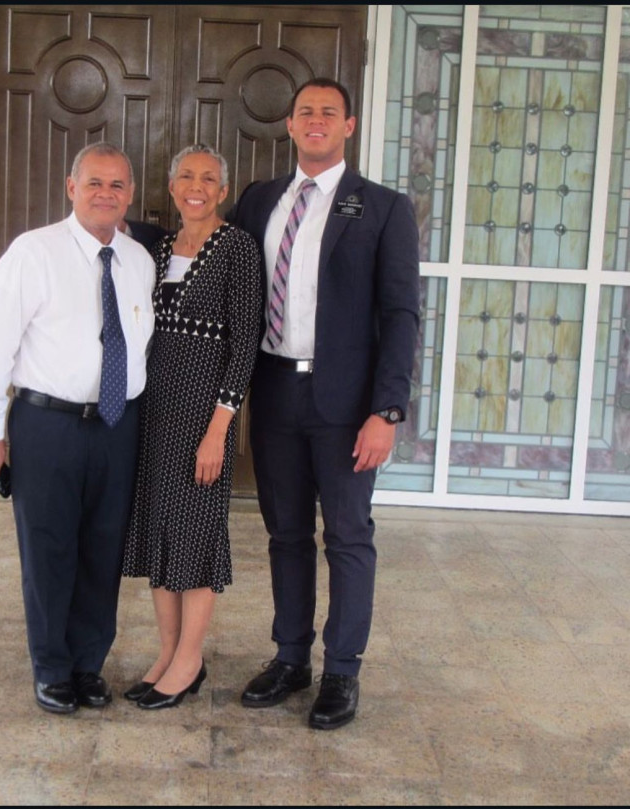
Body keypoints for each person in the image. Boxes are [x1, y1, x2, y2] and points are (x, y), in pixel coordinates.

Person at [227, 78, 420, 730]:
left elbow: (400, 314)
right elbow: (219, 262)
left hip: (347, 402)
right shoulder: (258, 201)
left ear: (349, 126)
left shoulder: (383, 208)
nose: (315, 121)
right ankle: (290, 657)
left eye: (327, 113)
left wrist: (387, 410)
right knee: (284, 532)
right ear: (289, 125)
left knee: (347, 535)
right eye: (305, 111)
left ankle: (342, 669)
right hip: (276, 388)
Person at [0, 142, 156, 715]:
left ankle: (87, 664)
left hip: (117, 425)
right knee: (49, 549)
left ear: (129, 194)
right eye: (94, 183)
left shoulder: (138, 261)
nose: (106, 194)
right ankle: (51, 666)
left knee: (104, 549)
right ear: (70, 187)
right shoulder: (34, 253)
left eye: (117, 185)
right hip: (47, 424)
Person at [122, 143, 262, 710]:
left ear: (223, 191)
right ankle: (167, 652)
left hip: (204, 417)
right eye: (186, 176)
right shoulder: (157, 249)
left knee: (196, 536)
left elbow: (245, 342)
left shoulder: (237, 248)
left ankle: (191, 661)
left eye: (208, 178)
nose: (196, 186)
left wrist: (218, 429)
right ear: (173, 186)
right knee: (160, 530)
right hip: (154, 412)